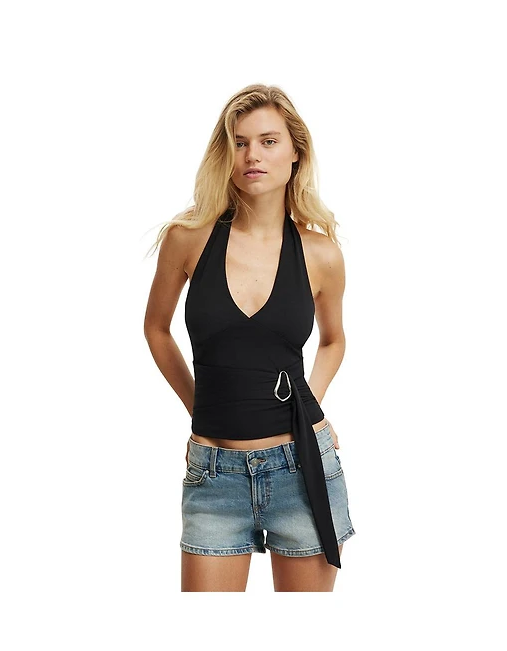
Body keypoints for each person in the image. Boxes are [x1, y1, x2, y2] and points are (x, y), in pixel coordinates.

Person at [144, 83, 355, 591]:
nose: (252, 155)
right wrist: (198, 407)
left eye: (268, 141)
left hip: (301, 467)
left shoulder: (321, 253)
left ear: (295, 152)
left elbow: (333, 340)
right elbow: (156, 329)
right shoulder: (187, 238)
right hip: (214, 476)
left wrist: (310, 405)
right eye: (239, 143)